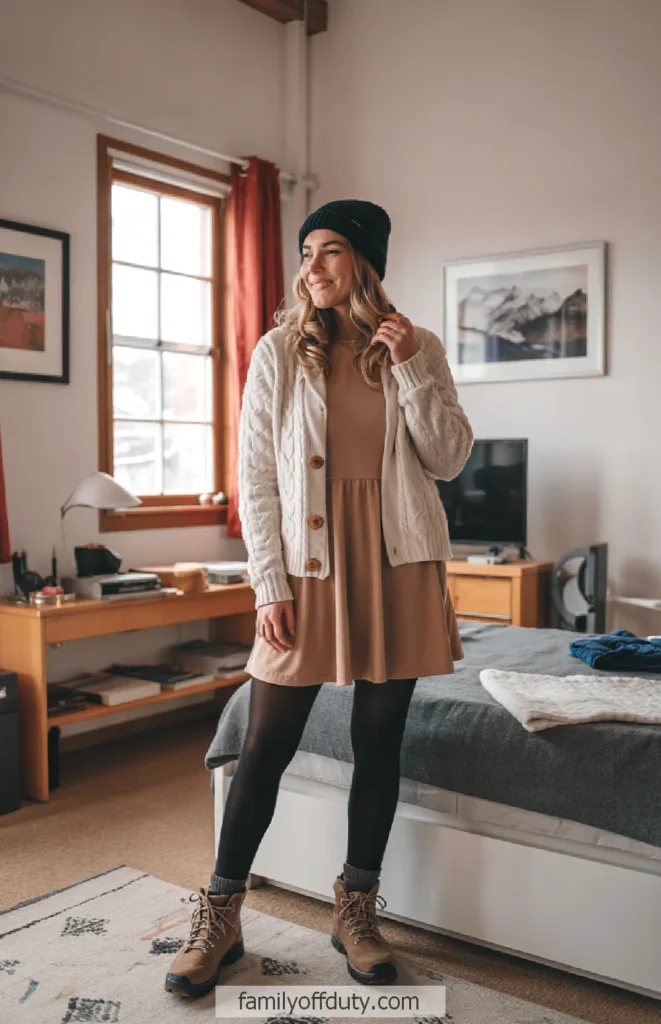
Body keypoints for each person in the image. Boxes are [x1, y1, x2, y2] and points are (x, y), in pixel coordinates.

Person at [166, 200, 473, 999]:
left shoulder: (416, 345)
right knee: (265, 743)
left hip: (398, 561)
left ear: (365, 261)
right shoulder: (277, 351)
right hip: (308, 565)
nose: (311, 267)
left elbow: (446, 458)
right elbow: (256, 478)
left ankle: (356, 908)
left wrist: (408, 364)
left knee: (380, 743)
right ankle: (221, 910)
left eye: (329, 251)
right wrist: (268, 583)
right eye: (306, 252)